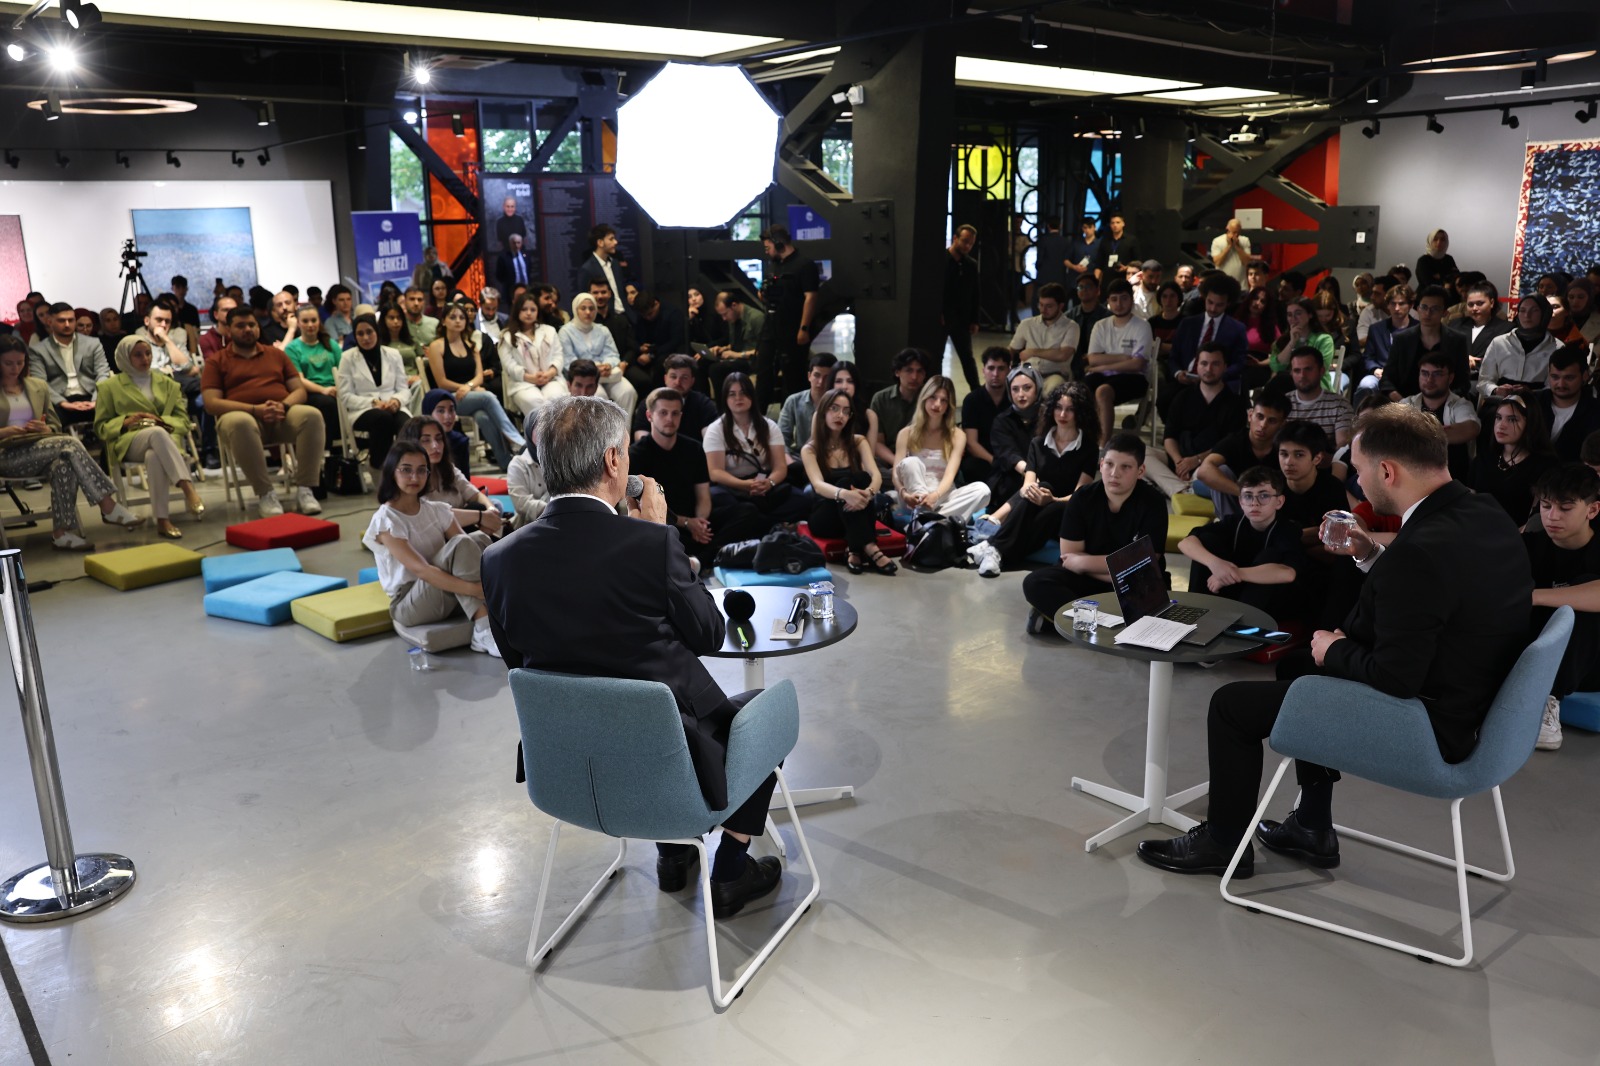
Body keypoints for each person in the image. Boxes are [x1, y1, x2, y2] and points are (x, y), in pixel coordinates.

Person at [1135, 404, 1531, 878]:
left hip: (1427, 727)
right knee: (1297, 667)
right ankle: (1311, 825)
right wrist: (1369, 553)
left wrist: (1336, 649)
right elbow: (1441, 591)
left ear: (1388, 471)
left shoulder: (1421, 550)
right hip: (1476, 706)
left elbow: (1396, 677)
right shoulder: (1484, 511)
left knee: (1231, 706)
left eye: (1360, 470)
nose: (1357, 482)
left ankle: (1223, 843)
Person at [481, 395, 785, 915]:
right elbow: (709, 634)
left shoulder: (497, 559)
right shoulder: (649, 544)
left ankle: (673, 854)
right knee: (766, 710)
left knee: (638, 710)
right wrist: (658, 531)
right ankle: (732, 870)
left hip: (568, 767)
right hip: (672, 765)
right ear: (612, 460)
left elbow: (520, 665)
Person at [0, 336, 144, 550]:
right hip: (6, 455)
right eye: (8, 363)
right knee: (69, 443)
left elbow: (55, 425)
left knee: (63, 465)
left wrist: (45, 429)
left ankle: (62, 533)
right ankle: (108, 505)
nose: (15, 368)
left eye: (20, 362)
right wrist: (5, 431)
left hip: (39, 449)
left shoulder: (38, 386)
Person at [1021, 433, 1167, 634]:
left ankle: (1071, 622)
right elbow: (1069, 556)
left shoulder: (1153, 502)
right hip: (1090, 579)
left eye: (1125, 467)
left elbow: (1143, 562)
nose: (1114, 473)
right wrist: (1117, 568)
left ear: (1140, 471)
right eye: (1109, 464)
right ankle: (1104, 627)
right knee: (1035, 582)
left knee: (1150, 590)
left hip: (1133, 581)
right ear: (1101, 464)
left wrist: (1083, 563)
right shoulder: (1082, 498)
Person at [364, 441, 499, 657]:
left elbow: (468, 549)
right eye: (406, 470)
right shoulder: (386, 520)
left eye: (421, 470)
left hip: (442, 594)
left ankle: (497, 611)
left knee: (480, 539)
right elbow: (422, 570)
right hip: (410, 604)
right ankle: (483, 629)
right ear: (391, 472)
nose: (414, 477)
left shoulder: (436, 510)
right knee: (461, 544)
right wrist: (475, 590)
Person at [200, 306, 325, 517]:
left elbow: (299, 391)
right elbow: (211, 403)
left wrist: (283, 405)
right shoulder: (217, 361)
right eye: (240, 326)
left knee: (311, 415)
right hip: (242, 418)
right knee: (241, 422)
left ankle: (306, 489)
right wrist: (254, 410)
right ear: (229, 330)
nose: (247, 329)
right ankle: (265, 493)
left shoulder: (276, 355)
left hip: (280, 415)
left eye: (252, 325)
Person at [972, 382, 1099, 574]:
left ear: (1081, 412)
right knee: (1038, 488)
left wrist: (1052, 500)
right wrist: (1036, 494)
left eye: (1070, 409)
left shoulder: (1089, 448)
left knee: (1054, 507)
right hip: (1036, 509)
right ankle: (995, 551)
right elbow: (1027, 486)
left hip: (1067, 511)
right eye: (1058, 407)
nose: (1062, 414)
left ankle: (993, 546)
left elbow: (1079, 496)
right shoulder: (1038, 444)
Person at [630, 387, 762, 567]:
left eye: (675, 413)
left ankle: (698, 560)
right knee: (656, 535)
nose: (669, 419)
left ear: (681, 416)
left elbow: (703, 496)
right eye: (663, 413)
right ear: (649, 416)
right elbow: (644, 507)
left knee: (748, 512)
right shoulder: (636, 454)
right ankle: (708, 556)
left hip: (694, 520)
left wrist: (700, 524)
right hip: (664, 521)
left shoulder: (694, 448)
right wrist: (686, 523)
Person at [92, 336, 203, 539]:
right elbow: (101, 428)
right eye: (138, 355)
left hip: (164, 440)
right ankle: (188, 488)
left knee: (154, 454)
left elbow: (183, 421)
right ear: (125, 357)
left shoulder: (168, 383)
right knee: (156, 434)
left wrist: (160, 421)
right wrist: (125, 421)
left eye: (148, 353)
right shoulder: (109, 387)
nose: (145, 359)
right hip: (129, 442)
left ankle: (162, 520)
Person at [1524, 464, 1600, 751]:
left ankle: (1549, 700)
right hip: (1535, 654)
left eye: (1565, 508)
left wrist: (1534, 596)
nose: (1552, 516)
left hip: (1589, 664)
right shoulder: (1529, 545)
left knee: (1579, 602)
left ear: (1592, 510)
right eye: (1546, 506)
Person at [1178, 465, 1305, 622]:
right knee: (1206, 541)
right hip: (1230, 592)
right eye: (1248, 496)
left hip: (1268, 604)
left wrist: (1233, 573)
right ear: (1240, 501)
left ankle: (1243, 626)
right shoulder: (1234, 522)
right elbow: (1185, 543)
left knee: (1270, 556)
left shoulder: (1287, 529)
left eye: (1264, 496)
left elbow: (1288, 573)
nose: (1254, 503)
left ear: (1279, 501)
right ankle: (1195, 614)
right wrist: (1216, 564)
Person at [800, 387, 895, 575]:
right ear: (823, 412)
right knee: (844, 483)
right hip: (826, 517)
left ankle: (854, 550)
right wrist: (844, 494)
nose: (840, 415)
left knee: (862, 478)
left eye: (845, 411)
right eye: (834, 409)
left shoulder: (858, 441)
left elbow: (875, 476)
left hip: (856, 509)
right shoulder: (810, 449)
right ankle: (870, 547)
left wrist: (868, 493)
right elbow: (818, 485)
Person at [425, 304, 525, 470]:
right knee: (488, 396)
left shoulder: (471, 345)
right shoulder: (437, 346)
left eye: (461, 317)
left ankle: (505, 462)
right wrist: (465, 388)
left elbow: (479, 376)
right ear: (443, 321)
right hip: (448, 398)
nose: (458, 321)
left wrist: (469, 387)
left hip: (469, 394)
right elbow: (441, 381)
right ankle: (516, 439)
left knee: (482, 416)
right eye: (452, 317)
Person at [703, 372, 809, 527]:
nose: (738, 398)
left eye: (743, 393)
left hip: (763, 483)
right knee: (720, 499)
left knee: (802, 501)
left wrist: (769, 482)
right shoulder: (716, 429)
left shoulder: (769, 426)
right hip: (731, 486)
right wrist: (744, 485)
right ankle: (768, 523)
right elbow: (715, 472)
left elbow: (780, 467)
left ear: (752, 396)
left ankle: (758, 523)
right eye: (732, 394)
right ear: (725, 399)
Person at [1144, 345, 1247, 496]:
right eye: (1204, 363)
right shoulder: (1182, 397)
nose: (1209, 369)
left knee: (1213, 472)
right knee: (1141, 453)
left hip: (1209, 463)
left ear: (1225, 367)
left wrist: (1196, 460)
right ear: (1197, 366)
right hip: (1179, 460)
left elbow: (1229, 445)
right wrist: (1179, 462)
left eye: (1215, 364)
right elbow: (1169, 436)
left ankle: (1172, 487)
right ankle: (1182, 490)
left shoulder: (1235, 404)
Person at [891, 375, 990, 522]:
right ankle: (930, 518)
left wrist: (935, 496)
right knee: (911, 462)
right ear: (924, 398)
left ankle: (927, 520)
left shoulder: (957, 435)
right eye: (933, 397)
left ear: (949, 405)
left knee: (983, 490)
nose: (937, 404)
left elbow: (950, 475)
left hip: (942, 495)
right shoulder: (906, 433)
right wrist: (903, 493)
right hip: (912, 496)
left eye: (944, 400)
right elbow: (896, 473)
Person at [398, 414, 503, 537]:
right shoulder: (410, 479)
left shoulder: (447, 468)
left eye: (439, 439)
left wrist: (491, 510)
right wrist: (480, 517)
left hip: (464, 525)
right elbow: (435, 517)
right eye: (426, 440)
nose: (435, 446)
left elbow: (475, 495)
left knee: (494, 505)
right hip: (437, 535)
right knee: (479, 511)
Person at [336, 313, 413, 472]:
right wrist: (373, 403)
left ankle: (406, 467)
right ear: (355, 336)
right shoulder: (347, 358)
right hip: (362, 409)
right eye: (360, 333)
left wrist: (397, 401)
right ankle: (380, 467)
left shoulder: (393, 354)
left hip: (392, 405)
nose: (365, 337)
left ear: (377, 331)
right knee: (382, 419)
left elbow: (404, 389)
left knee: (407, 424)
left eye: (369, 332)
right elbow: (345, 396)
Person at [1082, 279, 1153, 445]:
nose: (1119, 304)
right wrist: (1123, 357)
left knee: (1103, 392)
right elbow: (1093, 358)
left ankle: (1103, 445)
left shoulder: (1142, 326)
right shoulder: (1101, 325)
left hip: (1134, 377)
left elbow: (1137, 364)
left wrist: (1103, 366)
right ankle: (1085, 441)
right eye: (1114, 299)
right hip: (1105, 375)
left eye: (1124, 298)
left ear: (1131, 300)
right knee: (1082, 390)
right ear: (1108, 301)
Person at [758, 225, 821, 409]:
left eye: (768, 247)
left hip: (793, 328)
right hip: (771, 326)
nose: (766, 251)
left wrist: (804, 328)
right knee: (764, 373)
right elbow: (766, 294)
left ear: (779, 244)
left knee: (793, 378)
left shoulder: (805, 265)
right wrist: (764, 294)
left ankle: (793, 417)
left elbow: (811, 297)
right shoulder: (773, 266)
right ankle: (758, 416)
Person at [1197, 391, 1291, 514]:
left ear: (1282, 424)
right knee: (1221, 471)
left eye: (1272, 421)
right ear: (1250, 415)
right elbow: (1204, 471)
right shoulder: (1235, 440)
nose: (1263, 425)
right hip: (1232, 489)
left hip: (1267, 495)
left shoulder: (1285, 448)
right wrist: (1246, 493)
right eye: (1260, 417)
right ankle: (1230, 523)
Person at [1470, 395, 1558, 525]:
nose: (1501, 425)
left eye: (1512, 420)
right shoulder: (1484, 458)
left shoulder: (1545, 466)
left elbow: (1537, 516)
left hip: (1518, 534)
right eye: (1498, 417)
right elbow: (1470, 498)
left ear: (1530, 423)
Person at [26, 301, 111, 426]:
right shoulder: (38, 350)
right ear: (49, 322)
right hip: (59, 399)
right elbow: (40, 383)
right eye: (61, 320)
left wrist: (96, 400)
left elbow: (103, 373)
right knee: (51, 420)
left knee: (111, 414)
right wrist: (63, 403)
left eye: (71, 320)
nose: (67, 325)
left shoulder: (93, 343)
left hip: (90, 394)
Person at [1400, 352, 1479, 480]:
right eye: (1424, 373)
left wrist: (1417, 433)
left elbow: (1471, 428)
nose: (1429, 379)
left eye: (1437, 374)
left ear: (1450, 378)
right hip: (1414, 478)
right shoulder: (1407, 403)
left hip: (1453, 479)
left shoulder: (1460, 404)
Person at [1383, 285, 1470, 401]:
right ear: (1417, 309)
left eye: (1435, 309)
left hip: (1445, 402)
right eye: (1424, 307)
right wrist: (1401, 402)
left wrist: (1442, 402)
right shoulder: (1402, 339)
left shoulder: (1457, 340)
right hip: (1405, 401)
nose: (1428, 313)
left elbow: (1463, 382)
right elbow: (1387, 379)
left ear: (1445, 313)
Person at [1171, 274, 1248, 391]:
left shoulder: (1237, 329)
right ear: (1204, 297)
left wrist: (1216, 376)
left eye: (1219, 305)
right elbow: (1173, 356)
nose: (1213, 308)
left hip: (1219, 385)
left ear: (1228, 304)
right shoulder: (1187, 324)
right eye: (1210, 302)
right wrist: (1178, 373)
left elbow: (1239, 363)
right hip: (1185, 383)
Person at [1480, 294, 1561, 401]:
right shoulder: (1499, 342)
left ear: (1545, 313)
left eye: (1534, 310)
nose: (1527, 315)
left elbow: (1556, 386)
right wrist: (1495, 390)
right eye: (1522, 310)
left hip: (1537, 405)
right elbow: (1483, 381)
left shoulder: (1557, 348)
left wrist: (1532, 393)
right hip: (1500, 403)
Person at [285, 303, 343, 449]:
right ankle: (326, 450)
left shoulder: (330, 344)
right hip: (310, 392)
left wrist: (337, 388)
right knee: (328, 403)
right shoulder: (292, 348)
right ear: (298, 323)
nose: (310, 325)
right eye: (305, 321)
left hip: (336, 389)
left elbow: (343, 371)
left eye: (313, 320)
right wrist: (323, 390)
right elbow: (299, 379)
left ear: (319, 321)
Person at [498, 292, 564, 419]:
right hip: (522, 382)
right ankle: (541, 431)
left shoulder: (549, 331)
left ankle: (557, 432)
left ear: (538, 312)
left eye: (533, 310)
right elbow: (509, 365)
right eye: (524, 309)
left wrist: (549, 373)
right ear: (517, 311)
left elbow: (558, 356)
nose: (529, 313)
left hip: (550, 378)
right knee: (534, 401)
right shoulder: (506, 336)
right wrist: (530, 378)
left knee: (555, 398)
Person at [987, 363, 1044, 505]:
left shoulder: (1048, 417)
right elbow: (1009, 455)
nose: (1021, 394)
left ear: (1037, 388)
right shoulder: (1002, 421)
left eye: (1027, 388)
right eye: (1015, 389)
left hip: (1043, 474)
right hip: (1011, 477)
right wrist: (1030, 476)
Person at [1009, 281, 1078, 393]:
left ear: (1060, 306)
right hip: (1028, 372)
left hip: (1055, 374)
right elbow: (1012, 350)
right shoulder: (1027, 324)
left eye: (1049, 306)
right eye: (1041, 305)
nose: (1043, 310)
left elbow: (1063, 355)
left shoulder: (1071, 326)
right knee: (1015, 388)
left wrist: (1033, 352)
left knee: (1052, 389)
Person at [868, 348, 931, 469]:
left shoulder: (930, 398)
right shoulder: (881, 399)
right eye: (909, 370)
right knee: (870, 468)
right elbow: (877, 442)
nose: (914, 377)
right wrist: (899, 463)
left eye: (920, 371)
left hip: (920, 457)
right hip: (888, 458)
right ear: (897, 372)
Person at [630, 355, 717, 441]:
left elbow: (711, 439)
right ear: (665, 379)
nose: (678, 382)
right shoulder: (649, 403)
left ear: (692, 381)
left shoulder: (703, 404)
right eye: (673, 377)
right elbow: (641, 438)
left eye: (684, 378)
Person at [960, 347, 1015, 484]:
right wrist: (994, 461)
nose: (995, 374)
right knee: (970, 467)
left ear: (1009, 370)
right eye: (991, 368)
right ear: (983, 370)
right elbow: (971, 443)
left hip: (1010, 457)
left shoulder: (1014, 398)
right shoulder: (972, 400)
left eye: (1001, 368)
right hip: (983, 458)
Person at [1536, 346, 1600, 462]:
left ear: (1585, 376)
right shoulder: (1532, 402)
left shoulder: (1596, 412)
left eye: (1569, 378)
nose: (1561, 384)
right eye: (1555, 377)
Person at [134, 300, 202, 406]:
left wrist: (166, 340)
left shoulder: (174, 340)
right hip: (150, 392)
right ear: (147, 321)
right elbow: (146, 373)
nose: (163, 325)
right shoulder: (138, 342)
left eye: (167, 321)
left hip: (179, 392)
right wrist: (173, 373)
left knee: (203, 392)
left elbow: (187, 366)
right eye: (159, 320)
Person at [1285, 346, 1354, 449]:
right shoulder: (1283, 404)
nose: (1302, 375)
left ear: (1321, 371)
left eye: (1308, 369)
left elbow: (1343, 449)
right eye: (1297, 371)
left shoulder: (1340, 405)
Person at [777, 352, 838, 468]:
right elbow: (781, 437)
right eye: (817, 375)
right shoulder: (794, 401)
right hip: (800, 459)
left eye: (827, 377)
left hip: (832, 460)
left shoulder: (840, 404)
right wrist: (791, 464)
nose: (820, 382)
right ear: (809, 376)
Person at [941, 224, 982, 392]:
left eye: (970, 243)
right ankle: (935, 391)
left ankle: (977, 393)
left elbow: (975, 293)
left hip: (962, 319)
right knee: (937, 357)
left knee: (967, 358)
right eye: (965, 241)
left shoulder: (971, 265)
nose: (967, 246)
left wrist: (974, 320)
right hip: (942, 317)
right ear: (955, 238)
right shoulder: (941, 260)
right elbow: (935, 290)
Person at [1358, 284, 1414, 395]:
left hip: (1409, 375)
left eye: (1401, 304)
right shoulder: (1376, 329)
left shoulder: (1418, 329)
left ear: (1410, 305)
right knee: (1366, 384)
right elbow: (1368, 357)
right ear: (1388, 305)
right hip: (1381, 373)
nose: (1396, 308)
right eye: (1393, 304)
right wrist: (1375, 369)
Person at [505, 408, 550, 525]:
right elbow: (521, 503)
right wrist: (552, 509)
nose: (543, 432)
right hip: (527, 525)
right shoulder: (518, 464)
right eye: (538, 428)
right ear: (529, 431)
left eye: (547, 427)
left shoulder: (560, 459)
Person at [574, 224, 625, 303]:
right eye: (611, 239)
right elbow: (584, 298)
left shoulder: (615, 264)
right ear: (600, 242)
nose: (615, 242)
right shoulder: (587, 269)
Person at [494, 233, 536, 304]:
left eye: (518, 243)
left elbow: (529, 271)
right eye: (514, 243)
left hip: (526, 289)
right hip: (511, 291)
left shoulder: (526, 256)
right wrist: (508, 283)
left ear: (522, 243)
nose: (516, 245)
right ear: (510, 243)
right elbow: (499, 275)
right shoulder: (504, 257)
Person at [1033, 216, 1070, 295]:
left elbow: (1039, 260)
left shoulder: (1043, 240)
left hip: (1044, 276)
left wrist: (1038, 268)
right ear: (1060, 226)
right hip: (1060, 277)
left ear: (1048, 226)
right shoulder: (1065, 241)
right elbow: (1067, 259)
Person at [1210, 218, 1252, 285]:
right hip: (1221, 284)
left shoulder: (1245, 240)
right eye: (1233, 232)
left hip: (1241, 284)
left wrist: (1237, 246)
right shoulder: (1217, 241)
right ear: (1227, 230)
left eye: (1237, 232)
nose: (1235, 235)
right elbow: (1217, 262)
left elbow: (1246, 262)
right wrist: (1229, 246)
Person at [1098, 213, 1139, 282]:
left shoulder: (1131, 240)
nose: (1115, 225)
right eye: (1112, 223)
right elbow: (1099, 262)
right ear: (1110, 225)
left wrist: (1126, 268)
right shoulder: (1105, 240)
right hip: (1107, 278)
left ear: (1123, 224)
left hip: (1125, 278)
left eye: (1118, 222)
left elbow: (1137, 261)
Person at [685, 285, 726, 350]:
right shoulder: (691, 316)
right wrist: (689, 320)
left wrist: (706, 348)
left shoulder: (715, 312)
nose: (694, 299)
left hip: (718, 350)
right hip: (700, 352)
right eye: (689, 297)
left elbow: (725, 338)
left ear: (702, 295)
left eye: (696, 294)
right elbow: (687, 341)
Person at [1067, 216, 1102, 283]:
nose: (1087, 230)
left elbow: (1102, 263)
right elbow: (1066, 260)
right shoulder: (1076, 243)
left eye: (1090, 227)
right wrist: (1074, 267)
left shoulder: (1100, 244)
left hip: (1092, 279)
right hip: (1075, 279)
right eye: (1085, 227)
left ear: (1095, 228)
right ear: (1082, 228)